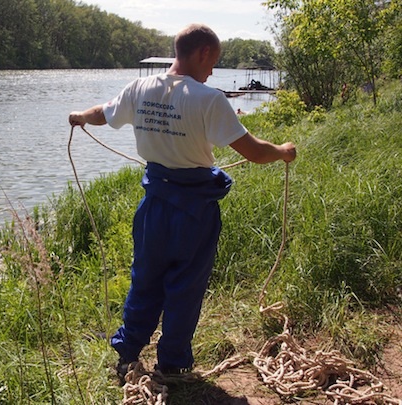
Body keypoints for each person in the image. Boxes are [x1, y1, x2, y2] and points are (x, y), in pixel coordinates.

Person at [68, 24, 296, 378]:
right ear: (203, 52)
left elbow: (103, 113)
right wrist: (283, 151)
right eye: (213, 63)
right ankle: (172, 364)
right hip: (194, 210)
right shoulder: (209, 99)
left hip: (153, 206)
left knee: (145, 279)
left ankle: (127, 354)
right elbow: (253, 152)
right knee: (185, 288)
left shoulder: (140, 88)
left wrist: (80, 116)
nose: (211, 72)